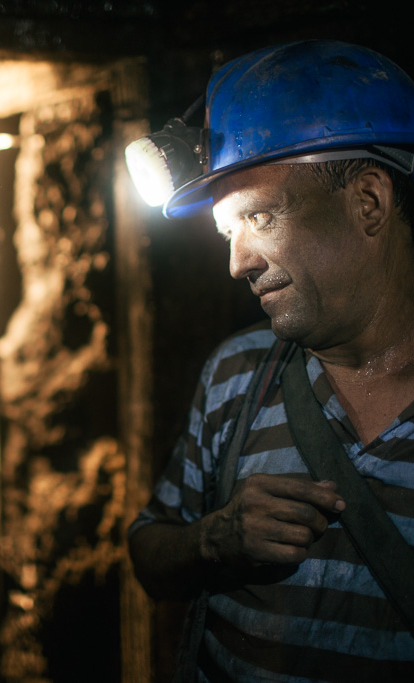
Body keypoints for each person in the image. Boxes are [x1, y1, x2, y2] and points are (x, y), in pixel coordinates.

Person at [126, 41, 414, 680]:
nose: (237, 264)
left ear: (368, 201)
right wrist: (215, 539)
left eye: (260, 216)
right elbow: (149, 550)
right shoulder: (238, 373)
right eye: (229, 233)